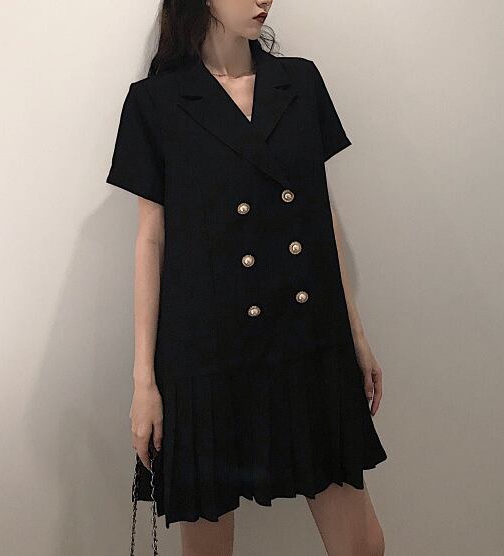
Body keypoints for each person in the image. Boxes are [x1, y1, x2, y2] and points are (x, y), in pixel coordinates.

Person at [105, 0, 388, 554]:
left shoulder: (299, 82)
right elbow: (151, 239)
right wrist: (144, 382)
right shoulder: (155, 101)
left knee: (362, 545)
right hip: (207, 349)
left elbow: (318, 212)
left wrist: (355, 332)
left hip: (308, 334)